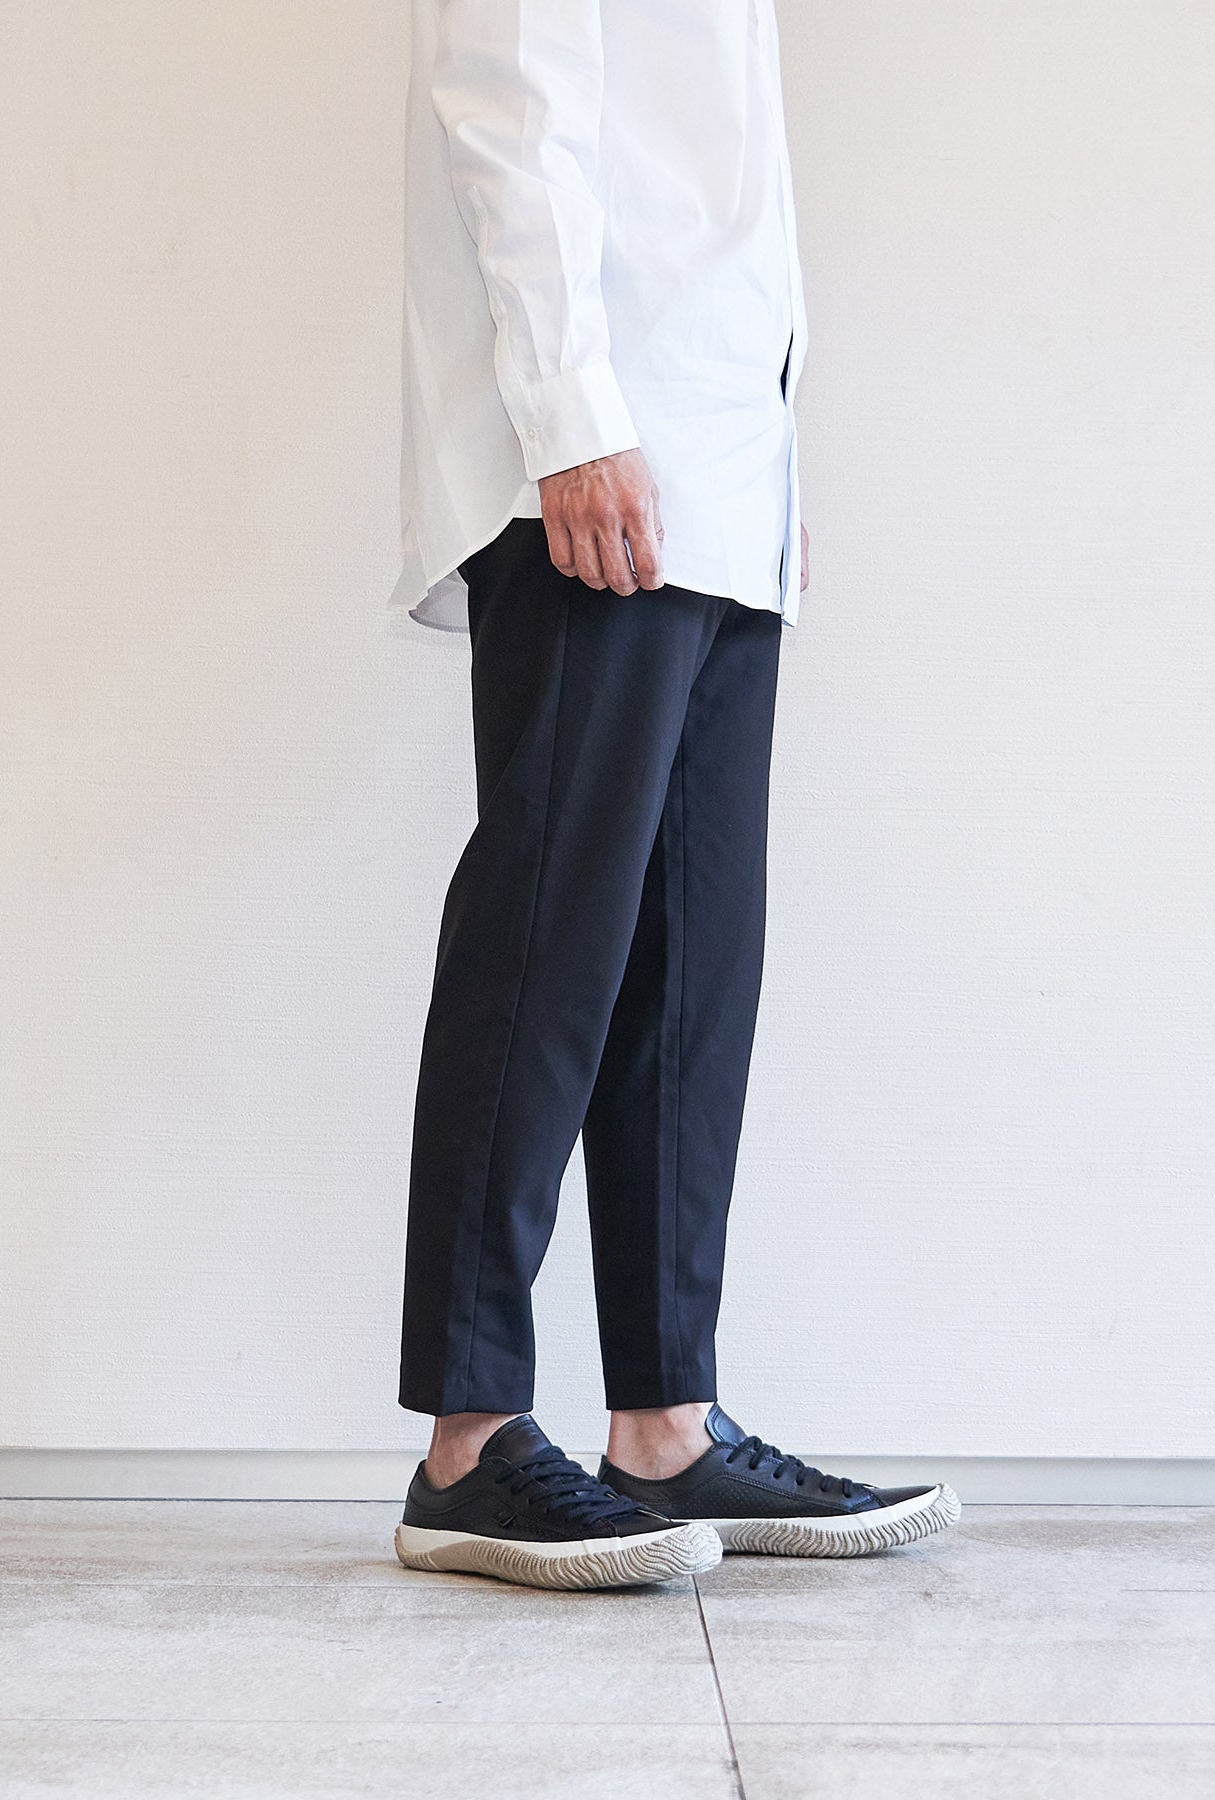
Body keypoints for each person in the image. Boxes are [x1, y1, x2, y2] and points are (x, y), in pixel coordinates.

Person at [388, 0, 960, 1590]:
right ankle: (467, 1440)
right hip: (604, 451)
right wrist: (573, 416)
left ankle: (663, 1424)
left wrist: (765, 463)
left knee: (695, 968)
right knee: (548, 940)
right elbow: (505, 101)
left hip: (719, 466)